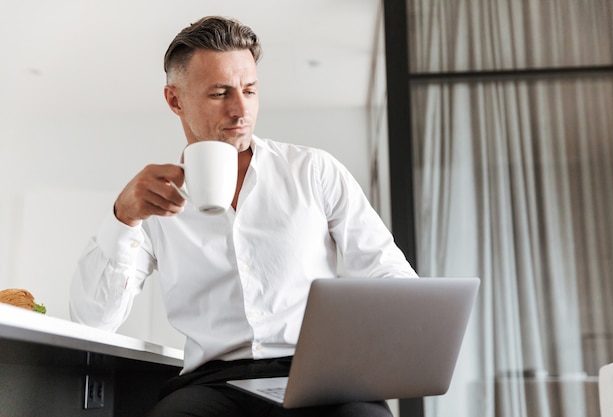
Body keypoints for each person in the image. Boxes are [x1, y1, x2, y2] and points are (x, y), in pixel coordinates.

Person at [70, 16, 418, 417]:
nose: (240, 110)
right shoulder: (153, 200)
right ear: (175, 100)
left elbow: (389, 275)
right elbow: (92, 322)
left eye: (250, 90)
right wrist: (122, 218)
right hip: (212, 385)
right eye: (220, 93)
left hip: (318, 376)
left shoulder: (313, 171)